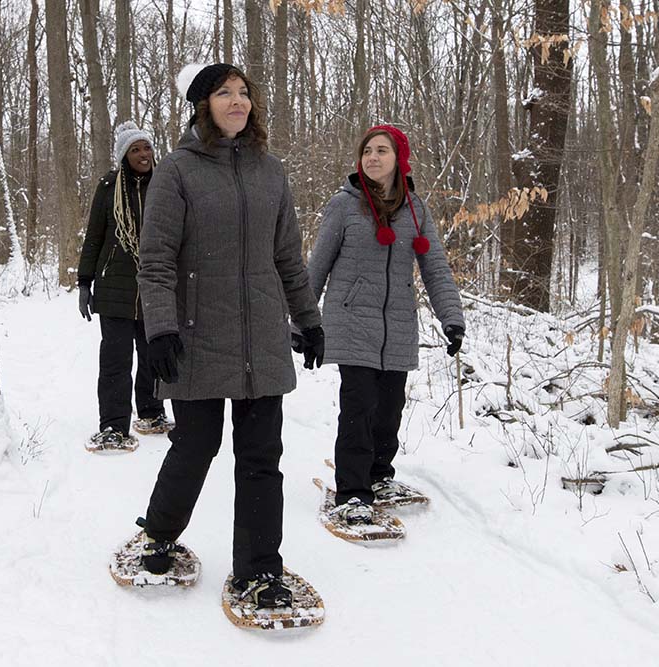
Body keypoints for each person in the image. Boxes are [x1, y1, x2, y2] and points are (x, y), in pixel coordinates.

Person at [134, 63, 324, 608]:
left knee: (262, 456)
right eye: (225, 93)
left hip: (261, 337)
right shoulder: (177, 170)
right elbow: (156, 260)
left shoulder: (271, 171)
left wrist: (308, 319)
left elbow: (288, 256)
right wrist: (161, 328)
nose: (238, 101)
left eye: (244, 92)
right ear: (204, 105)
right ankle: (160, 532)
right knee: (196, 445)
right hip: (196, 335)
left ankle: (260, 569)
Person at [304, 124, 465, 524]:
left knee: (390, 409)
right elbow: (318, 264)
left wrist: (451, 318)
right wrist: (302, 322)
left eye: (381, 151)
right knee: (358, 406)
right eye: (367, 151)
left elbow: (435, 267)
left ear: (399, 159)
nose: (372, 157)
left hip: (398, 324)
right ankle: (352, 492)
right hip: (352, 319)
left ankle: (378, 475)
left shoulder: (416, 209)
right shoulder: (344, 206)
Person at [77, 121, 174, 449]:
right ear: (124, 156)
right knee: (115, 362)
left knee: (152, 356)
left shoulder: (164, 184)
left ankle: (151, 412)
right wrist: (84, 283)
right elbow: (94, 236)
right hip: (114, 289)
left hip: (155, 287)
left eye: (147, 147)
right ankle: (113, 426)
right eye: (135, 149)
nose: (144, 154)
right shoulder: (108, 187)